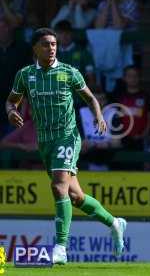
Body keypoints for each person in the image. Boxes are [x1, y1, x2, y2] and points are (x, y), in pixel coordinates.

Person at [5, 28, 127, 265]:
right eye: (45, 44)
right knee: (75, 196)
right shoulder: (25, 75)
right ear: (35, 48)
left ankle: (61, 247)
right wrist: (11, 112)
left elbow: (90, 98)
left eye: (54, 44)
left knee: (58, 186)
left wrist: (99, 116)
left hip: (67, 137)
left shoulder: (69, 72)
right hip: (45, 141)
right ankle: (115, 223)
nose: (51, 48)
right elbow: (11, 101)